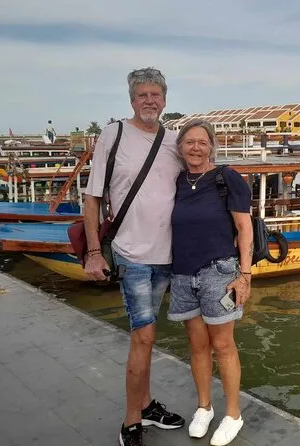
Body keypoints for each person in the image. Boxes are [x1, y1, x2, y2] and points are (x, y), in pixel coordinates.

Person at [83, 67, 185, 446]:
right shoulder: (113, 135)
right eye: (142, 94)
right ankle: (131, 420)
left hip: (168, 256)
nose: (149, 101)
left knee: (149, 335)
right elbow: (93, 197)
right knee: (143, 336)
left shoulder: (174, 141)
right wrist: (95, 252)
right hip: (132, 255)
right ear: (131, 100)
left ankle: (146, 404)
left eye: (155, 95)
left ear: (165, 100)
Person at [168, 119, 253, 446]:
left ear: (212, 147)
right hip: (182, 273)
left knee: (223, 345)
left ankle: (233, 414)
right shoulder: (177, 181)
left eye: (202, 142)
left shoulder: (226, 178)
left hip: (219, 272)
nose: (196, 148)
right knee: (197, 345)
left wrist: (245, 275)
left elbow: (244, 228)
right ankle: (204, 407)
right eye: (189, 142)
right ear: (180, 147)